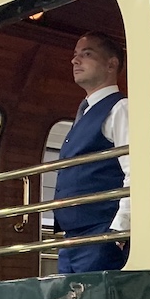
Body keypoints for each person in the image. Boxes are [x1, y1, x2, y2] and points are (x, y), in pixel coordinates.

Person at [54, 32, 130, 273]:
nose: (75, 61)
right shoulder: (85, 114)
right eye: (75, 56)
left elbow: (136, 171)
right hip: (73, 239)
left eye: (86, 54)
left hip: (102, 233)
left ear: (111, 64)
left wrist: (119, 230)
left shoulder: (120, 108)